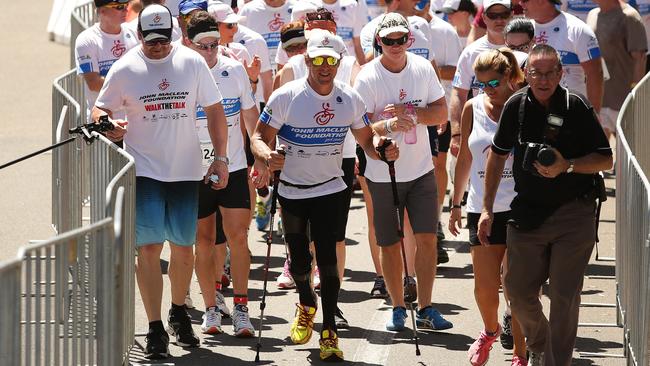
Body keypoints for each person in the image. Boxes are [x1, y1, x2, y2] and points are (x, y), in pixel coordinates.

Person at [251, 32, 399, 362]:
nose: (324, 67)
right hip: (292, 189)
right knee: (301, 262)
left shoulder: (349, 97)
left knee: (329, 259)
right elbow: (259, 137)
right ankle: (306, 301)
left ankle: (329, 329)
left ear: (339, 64)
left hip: (332, 188)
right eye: (318, 60)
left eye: (331, 61)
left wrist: (383, 150)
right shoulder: (286, 96)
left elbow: (366, 142)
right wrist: (266, 156)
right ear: (307, 61)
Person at [91, 4, 229, 359]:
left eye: (163, 40)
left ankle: (178, 311)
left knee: (184, 249)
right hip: (146, 170)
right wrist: (108, 125)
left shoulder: (192, 62)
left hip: (184, 170)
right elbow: (99, 108)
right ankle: (155, 327)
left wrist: (222, 158)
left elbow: (214, 109)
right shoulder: (125, 68)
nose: (157, 47)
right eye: (150, 40)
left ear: (174, 34)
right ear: (138, 36)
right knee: (149, 249)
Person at [480, 44, 613, 366]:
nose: (542, 79)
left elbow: (606, 159)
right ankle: (541, 344)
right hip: (528, 212)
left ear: (560, 74)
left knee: (565, 297)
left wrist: (566, 165)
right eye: (535, 72)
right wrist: (486, 208)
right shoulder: (516, 106)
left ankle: (556, 362)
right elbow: (497, 157)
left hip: (574, 212)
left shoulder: (576, 106)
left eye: (549, 72)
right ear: (526, 74)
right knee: (518, 290)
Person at [353, 12, 452, 332]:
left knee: (426, 240)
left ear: (409, 40)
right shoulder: (367, 76)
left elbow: (441, 112)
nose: (396, 46)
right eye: (388, 40)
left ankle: (425, 307)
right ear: (378, 42)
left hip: (421, 171)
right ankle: (397, 306)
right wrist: (385, 131)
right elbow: (360, 126)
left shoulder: (422, 69)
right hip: (383, 174)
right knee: (390, 243)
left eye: (401, 39)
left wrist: (411, 112)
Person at [448, 48, 528, 366]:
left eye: (493, 81)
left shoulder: (524, 106)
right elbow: (466, 157)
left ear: (510, 77)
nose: (487, 89)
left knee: (516, 285)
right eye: (480, 83)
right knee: (484, 286)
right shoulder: (471, 108)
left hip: (521, 206)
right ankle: (490, 331)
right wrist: (455, 203)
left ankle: (521, 353)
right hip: (481, 207)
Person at [184, 11, 261, 338]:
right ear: (188, 43)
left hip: (234, 165)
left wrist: (260, 156)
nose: (211, 52)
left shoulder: (233, 70)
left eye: (215, 44)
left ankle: (241, 308)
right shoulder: (181, 74)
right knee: (203, 241)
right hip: (194, 171)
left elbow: (250, 115)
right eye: (204, 46)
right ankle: (211, 307)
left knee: (238, 237)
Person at [449, 0, 514, 159]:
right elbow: (458, 92)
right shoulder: (471, 52)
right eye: (493, 15)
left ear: (511, 16)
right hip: (480, 129)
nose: (499, 20)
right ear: (483, 18)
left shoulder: (521, 48)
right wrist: (456, 133)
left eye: (504, 14)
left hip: (514, 127)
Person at [521, 0, 604, 112]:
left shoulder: (578, 29)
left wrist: (594, 113)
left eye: (524, 0)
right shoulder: (522, 29)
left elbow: (595, 73)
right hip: (532, 111)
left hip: (571, 112)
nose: (521, 3)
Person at [587, 0, 647, 138]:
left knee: (625, 153)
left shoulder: (630, 16)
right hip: (599, 97)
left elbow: (640, 58)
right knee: (600, 151)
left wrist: (634, 93)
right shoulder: (592, 15)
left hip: (622, 99)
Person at [75, 0, 138, 122]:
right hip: (104, 120)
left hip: (133, 118)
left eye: (126, 5)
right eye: (119, 7)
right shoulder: (86, 40)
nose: (126, 10)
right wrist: (131, 85)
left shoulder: (134, 33)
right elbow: (94, 83)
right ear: (103, 10)